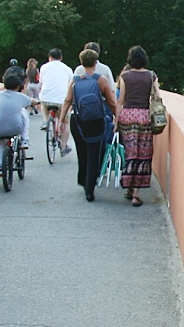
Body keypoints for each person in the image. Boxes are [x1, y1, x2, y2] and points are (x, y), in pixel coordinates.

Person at [60, 49, 117, 202]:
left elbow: (67, 101)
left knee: (81, 152)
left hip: (77, 120)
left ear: (81, 63)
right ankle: (90, 190)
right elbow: (111, 102)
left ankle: (83, 180)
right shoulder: (101, 80)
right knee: (94, 154)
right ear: (96, 63)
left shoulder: (75, 80)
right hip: (96, 121)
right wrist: (118, 116)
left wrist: (61, 120)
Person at [115, 45, 157, 207]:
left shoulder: (124, 76)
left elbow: (120, 101)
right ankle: (136, 194)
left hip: (128, 116)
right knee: (143, 155)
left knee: (131, 153)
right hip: (145, 117)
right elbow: (157, 98)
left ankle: (129, 188)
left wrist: (116, 121)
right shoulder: (151, 76)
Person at [0, 70, 38, 169]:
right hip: (16, 128)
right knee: (24, 113)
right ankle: (24, 140)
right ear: (18, 86)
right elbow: (31, 101)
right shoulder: (20, 96)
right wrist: (37, 102)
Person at [38, 48, 73, 155]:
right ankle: (63, 148)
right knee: (65, 122)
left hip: (46, 98)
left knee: (43, 104)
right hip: (61, 100)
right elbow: (70, 86)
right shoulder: (67, 69)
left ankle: (45, 121)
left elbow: (41, 83)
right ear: (61, 58)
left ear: (50, 58)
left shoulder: (44, 67)